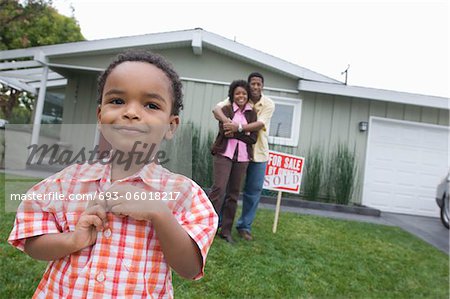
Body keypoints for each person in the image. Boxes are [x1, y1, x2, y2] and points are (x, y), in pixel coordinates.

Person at [8, 50, 218, 298]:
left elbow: (190, 268)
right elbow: (32, 242)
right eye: (117, 101)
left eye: (151, 105)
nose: (131, 112)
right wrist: (73, 240)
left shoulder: (185, 194)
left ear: (171, 126)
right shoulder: (67, 182)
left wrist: (160, 213)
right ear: (100, 117)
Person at [212, 72, 274, 241]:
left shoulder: (264, 105)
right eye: (252, 84)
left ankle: (242, 227)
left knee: (250, 191)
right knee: (220, 189)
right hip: (228, 153)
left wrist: (237, 128)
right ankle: (212, 224)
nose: (255, 87)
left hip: (256, 152)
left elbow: (257, 129)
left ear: (262, 86)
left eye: (258, 84)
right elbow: (217, 111)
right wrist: (228, 123)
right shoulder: (232, 103)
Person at [209, 80, 257, 243]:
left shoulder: (252, 113)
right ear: (232, 95)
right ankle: (209, 227)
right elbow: (225, 132)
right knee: (219, 189)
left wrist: (236, 129)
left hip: (242, 158)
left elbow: (253, 139)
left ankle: (226, 231)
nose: (241, 96)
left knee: (233, 195)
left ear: (247, 95)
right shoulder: (227, 109)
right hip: (224, 154)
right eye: (237, 93)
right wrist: (243, 131)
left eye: (244, 93)